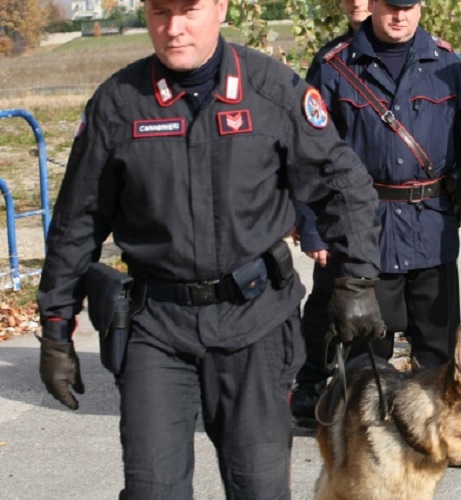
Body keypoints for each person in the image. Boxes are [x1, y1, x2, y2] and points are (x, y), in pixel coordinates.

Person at [35, 0, 386, 498]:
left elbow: (343, 185)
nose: (173, 28)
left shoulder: (273, 91)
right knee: (152, 489)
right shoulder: (118, 103)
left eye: (189, 10)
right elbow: (77, 223)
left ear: (220, 8)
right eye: (159, 13)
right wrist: (55, 327)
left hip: (255, 322)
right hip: (156, 326)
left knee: (258, 488)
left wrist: (356, 280)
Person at [292, 0, 461, 425]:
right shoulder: (336, 67)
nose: (399, 16)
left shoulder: (445, 64)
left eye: (408, 7)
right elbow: (308, 155)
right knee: (368, 348)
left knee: (437, 347)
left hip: (431, 226)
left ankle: (429, 433)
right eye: (390, 6)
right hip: (365, 231)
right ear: (372, 5)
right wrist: (311, 226)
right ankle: (365, 435)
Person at [290, 0, 371, 428]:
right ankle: (311, 380)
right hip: (339, 210)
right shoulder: (329, 62)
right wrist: (311, 225)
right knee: (327, 299)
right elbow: (305, 152)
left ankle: (368, 393)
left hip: (396, 211)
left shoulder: (421, 54)